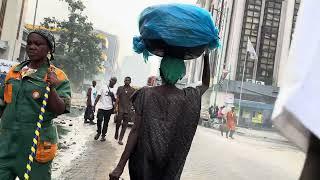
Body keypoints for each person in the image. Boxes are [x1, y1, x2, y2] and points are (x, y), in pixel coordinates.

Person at [109, 52, 210, 180]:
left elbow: (135, 131)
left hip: (142, 164)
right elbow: (206, 84)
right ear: (181, 75)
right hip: (169, 167)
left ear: (160, 71)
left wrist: (120, 167)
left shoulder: (145, 94)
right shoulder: (187, 98)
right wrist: (206, 56)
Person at [0, 29, 71, 180]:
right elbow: (3, 102)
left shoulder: (57, 76)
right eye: (30, 43)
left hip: (36, 146)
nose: (32, 47)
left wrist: (51, 87)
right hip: (6, 144)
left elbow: (60, 108)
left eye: (38, 44)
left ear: (49, 49)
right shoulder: (15, 71)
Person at [93, 77, 117, 142]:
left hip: (109, 108)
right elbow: (98, 96)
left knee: (106, 123)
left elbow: (116, 100)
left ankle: (103, 136)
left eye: (114, 81)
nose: (112, 81)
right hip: (101, 107)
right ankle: (98, 132)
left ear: (115, 82)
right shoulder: (103, 87)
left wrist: (112, 96)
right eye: (111, 80)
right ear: (109, 80)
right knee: (99, 120)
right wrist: (94, 105)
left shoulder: (115, 90)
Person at [115, 77, 136, 145]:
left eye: (128, 80)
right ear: (124, 81)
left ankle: (120, 139)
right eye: (125, 80)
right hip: (120, 109)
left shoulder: (133, 90)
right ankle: (117, 130)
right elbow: (117, 98)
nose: (126, 81)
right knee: (118, 122)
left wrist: (133, 108)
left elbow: (134, 101)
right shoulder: (120, 88)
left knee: (125, 125)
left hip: (128, 110)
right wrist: (115, 107)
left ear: (130, 81)